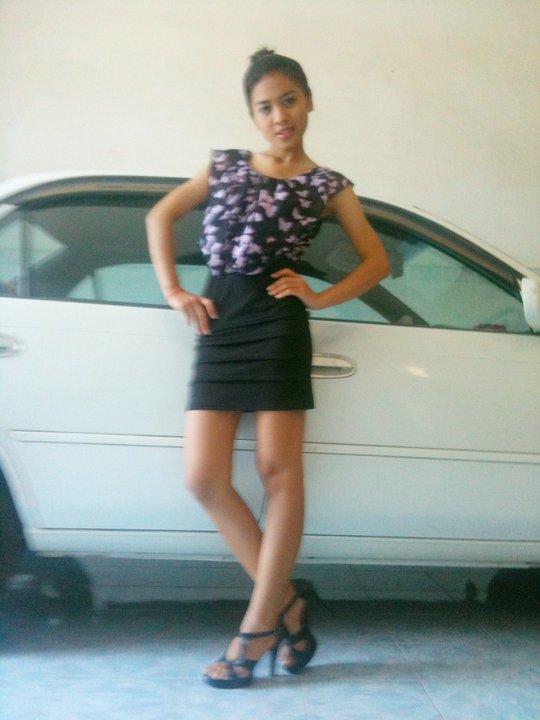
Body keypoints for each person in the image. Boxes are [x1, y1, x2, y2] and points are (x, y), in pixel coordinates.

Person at [146, 48, 389, 689]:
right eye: (265, 106)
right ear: (251, 116)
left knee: (278, 474)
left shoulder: (329, 186)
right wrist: (174, 292)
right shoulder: (225, 165)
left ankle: (255, 630)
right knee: (203, 479)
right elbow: (160, 215)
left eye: (289, 100)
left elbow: (377, 262)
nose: (279, 115)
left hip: (278, 324)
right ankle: (288, 606)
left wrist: (319, 297)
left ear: (308, 102)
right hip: (219, 320)